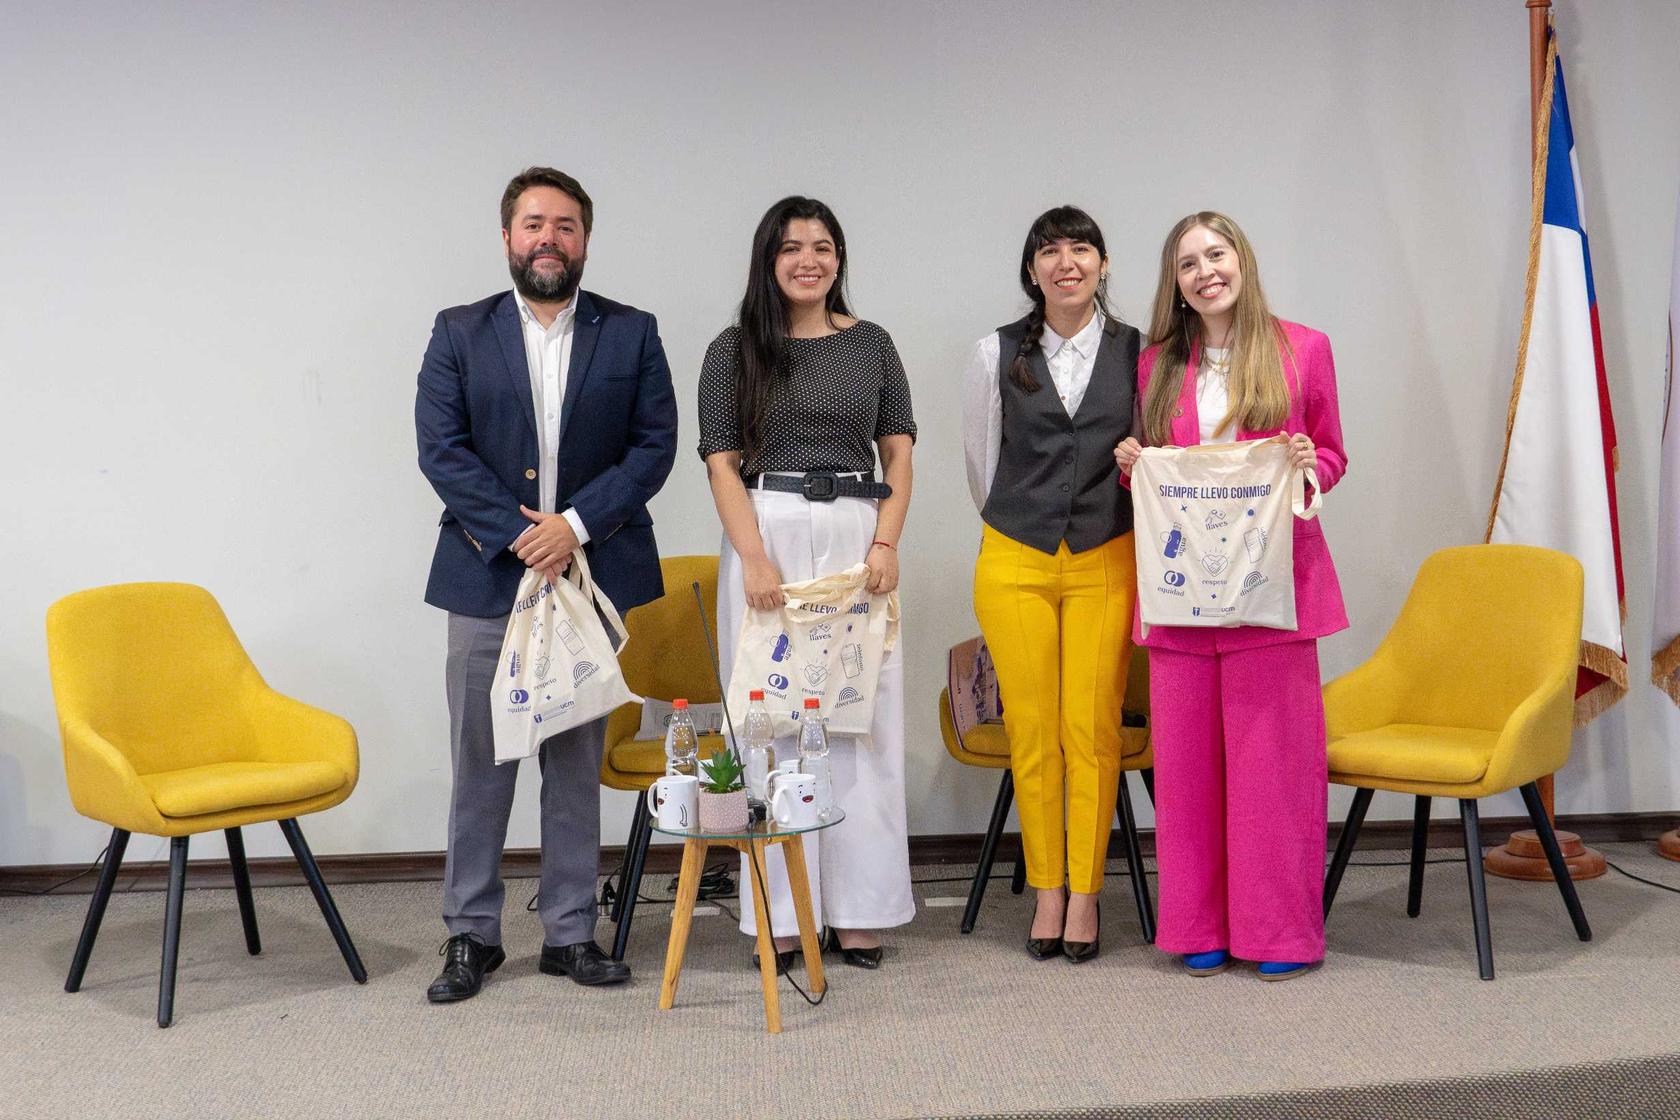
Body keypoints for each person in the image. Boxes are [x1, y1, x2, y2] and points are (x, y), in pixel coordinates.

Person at [415, 166, 678, 1001]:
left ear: (586, 240)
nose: (548, 240)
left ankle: (571, 931)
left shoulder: (632, 333)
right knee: (480, 762)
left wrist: (577, 528)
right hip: (489, 574)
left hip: (593, 575)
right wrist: (527, 535)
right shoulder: (459, 331)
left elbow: (654, 445)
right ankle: (471, 934)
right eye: (533, 224)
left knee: (573, 760)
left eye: (565, 226)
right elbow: (441, 448)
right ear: (506, 237)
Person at [1114, 210, 1347, 981]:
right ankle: (1200, 926)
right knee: (1185, 776)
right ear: (1175, 285)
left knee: (1273, 774)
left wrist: (1310, 461)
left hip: (1273, 592)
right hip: (1181, 596)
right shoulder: (1157, 367)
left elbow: (1332, 458)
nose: (1205, 270)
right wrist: (1132, 463)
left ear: (1241, 260)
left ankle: (1278, 932)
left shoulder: (1303, 349)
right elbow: (1155, 477)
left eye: (1216, 254)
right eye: (1188, 263)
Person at [698, 196, 916, 969]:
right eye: (792, 247)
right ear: (769, 259)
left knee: (863, 716)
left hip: (859, 531)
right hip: (772, 531)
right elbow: (722, 462)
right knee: (775, 720)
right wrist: (753, 554)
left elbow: (897, 453)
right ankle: (783, 917)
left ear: (839, 258)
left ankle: (861, 911)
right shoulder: (733, 350)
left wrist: (887, 539)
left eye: (824, 246)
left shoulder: (873, 345)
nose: (809, 260)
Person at [961, 206, 1142, 963]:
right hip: (1015, 557)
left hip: (1106, 553)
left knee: (1090, 732)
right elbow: (981, 463)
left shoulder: (1142, 351)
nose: (1067, 261)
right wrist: (1025, 518)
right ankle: (1047, 891)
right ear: (1032, 269)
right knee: (1033, 733)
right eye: (1050, 251)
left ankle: (1089, 893)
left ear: (1102, 263)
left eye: (1082, 247)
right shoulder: (994, 351)